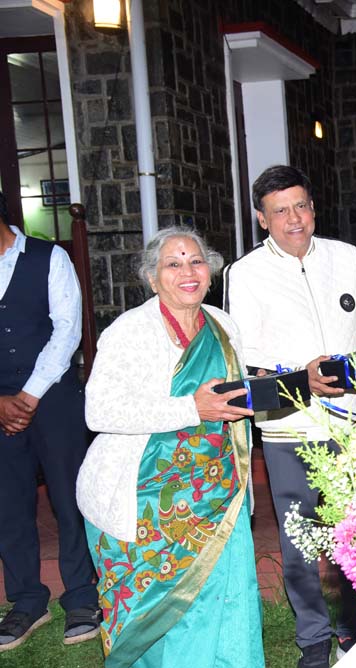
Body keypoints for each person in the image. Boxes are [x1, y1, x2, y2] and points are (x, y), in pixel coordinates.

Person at [224, 165, 356, 667]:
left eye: (301, 206)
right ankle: (314, 638)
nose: (294, 218)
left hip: (355, 421)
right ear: (262, 218)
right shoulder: (244, 273)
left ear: (313, 208)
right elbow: (245, 352)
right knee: (298, 540)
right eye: (280, 211)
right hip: (288, 427)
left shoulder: (346, 256)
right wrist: (303, 376)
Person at [76, 227, 264, 666]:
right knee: (157, 617)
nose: (188, 272)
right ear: (152, 277)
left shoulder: (223, 325)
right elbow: (99, 411)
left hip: (218, 493)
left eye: (196, 261)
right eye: (173, 264)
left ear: (210, 271)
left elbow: (233, 394)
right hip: (144, 500)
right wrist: (190, 408)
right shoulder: (130, 331)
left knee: (224, 603)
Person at [0, 192, 100, 652]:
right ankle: (26, 600)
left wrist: (27, 395)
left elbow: (67, 329)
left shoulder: (49, 257)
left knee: (69, 497)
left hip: (53, 395)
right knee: (8, 504)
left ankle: (81, 595)